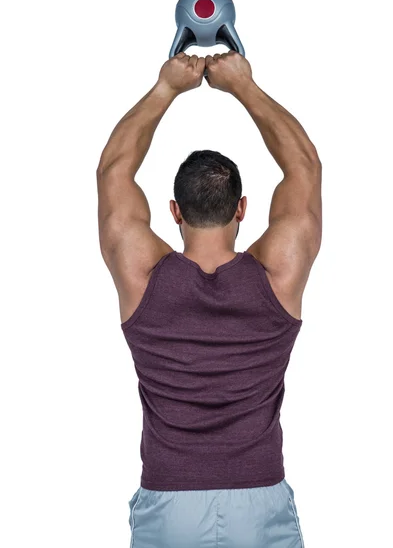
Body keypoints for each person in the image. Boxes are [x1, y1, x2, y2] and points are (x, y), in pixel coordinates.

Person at [96, 51, 322, 548]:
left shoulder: (142, 277)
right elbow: (304, 167)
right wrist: (244, 85)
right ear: (243, 208)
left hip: (169, 499)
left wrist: (165, 89)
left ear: (174, 211)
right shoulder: (278, 276)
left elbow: (114, 173)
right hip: (259, 500)